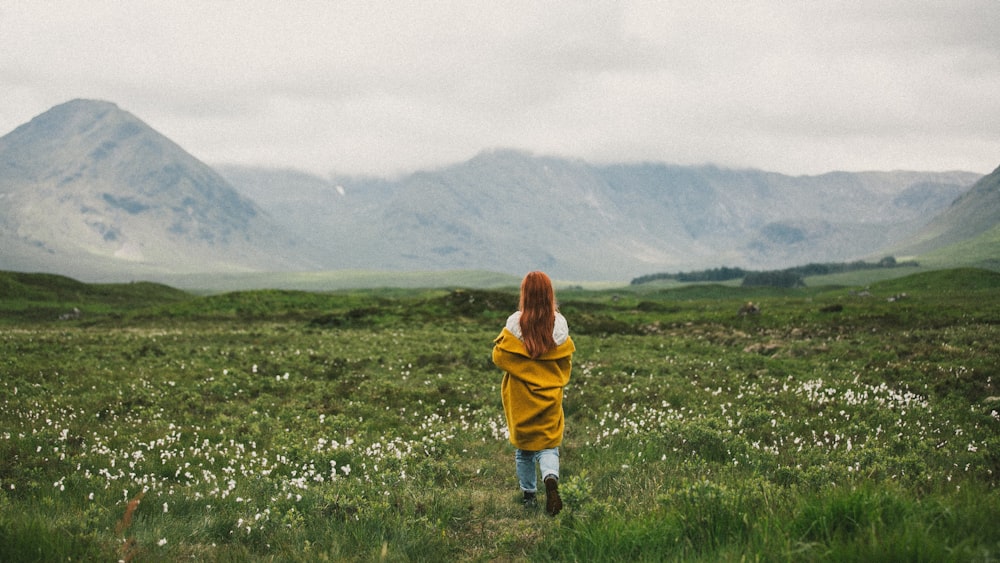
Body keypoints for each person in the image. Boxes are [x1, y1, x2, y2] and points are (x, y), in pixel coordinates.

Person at [492, 271, 575, 515]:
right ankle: (550, 476)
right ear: (549, 294)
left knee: (524, 450)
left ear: (525, 294)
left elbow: (500, 355)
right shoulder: (559, 324)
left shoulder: (514, 323)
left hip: (520, 398)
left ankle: (529, 496)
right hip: (549, 396)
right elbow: (565, 359)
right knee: (548, 446)